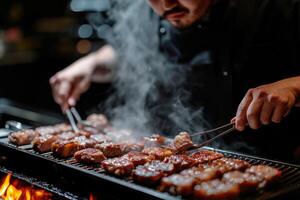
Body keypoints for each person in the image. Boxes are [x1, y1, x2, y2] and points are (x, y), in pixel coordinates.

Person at [50, 0, 300, 163]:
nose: (166, 4)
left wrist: (294, 87)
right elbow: (130, 51)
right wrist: (92, 64)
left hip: (268, 167)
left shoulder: (278, 7)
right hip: (171, 166)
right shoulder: (148, 8)